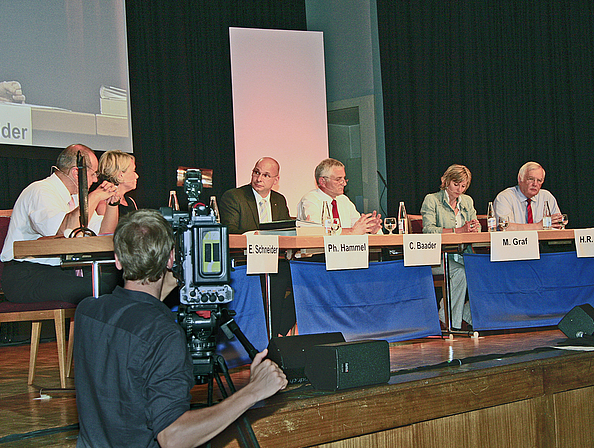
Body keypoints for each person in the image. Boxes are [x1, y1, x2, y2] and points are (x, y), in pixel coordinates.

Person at [74, 209, 287, 448]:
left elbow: (134, 313)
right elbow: (172, 436)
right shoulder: (163, 333)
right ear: (170, 259)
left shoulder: (86, 312)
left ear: (117, 259)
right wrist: (253, 391)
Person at [0, 144, 120, 304]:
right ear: (76, 173)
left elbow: (105, 233)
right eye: (93, 174)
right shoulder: (41, 191)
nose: (96, 180)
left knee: (117, 286)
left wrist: (112, 204)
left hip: (60, 271)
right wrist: (95, 196)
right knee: (100, 289)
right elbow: (60, 229)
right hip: (28, 274)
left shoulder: (76, 199)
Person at [219, 157, 296, 337]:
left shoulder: (279, 199)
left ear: (275, 180)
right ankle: (263, 337)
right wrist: (256, 236)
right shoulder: (234, 197)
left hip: (274, 260)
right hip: (245, 261)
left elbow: (283, 232)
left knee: (304, 283)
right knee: (274, 285)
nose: (259, 178)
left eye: (266, 175)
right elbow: (229, 230)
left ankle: (277, 333)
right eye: (256, 172)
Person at [420, 164, 480, 330]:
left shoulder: (467, 201)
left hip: (463, 254)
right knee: (460, 272)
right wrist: (458, 230)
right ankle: (450, 322)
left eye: (463, 186)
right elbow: (428, 230)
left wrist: (475, 227)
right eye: (456, 184)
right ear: (445, 181)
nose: (459, 189)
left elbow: (476, 228)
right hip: (436, 258)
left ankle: (466, 316)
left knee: (487, 271)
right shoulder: (432, 200)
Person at [297, 158, 382, 235]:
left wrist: (371, 230)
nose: (344, 183)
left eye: (344, 179)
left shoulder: (343, 200)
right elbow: (317, 232)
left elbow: (357, 227)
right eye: (338, 179)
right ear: (323, 181)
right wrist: (352, 231)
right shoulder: (311, 200)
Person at [493, 161, 563, 230]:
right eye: (531, 179)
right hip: (515, 241)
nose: (535, 184)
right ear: (520, 179)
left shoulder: (547, 197)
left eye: (539, 180)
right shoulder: (504, 197)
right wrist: (539, 226)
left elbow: (558, 225)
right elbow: (505, 228)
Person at [94, 149, 139, 217]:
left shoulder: (130, 201)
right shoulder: (103, 203)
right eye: (133, 171)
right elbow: (106, 227)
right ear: (120, 175)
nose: (136, 176)